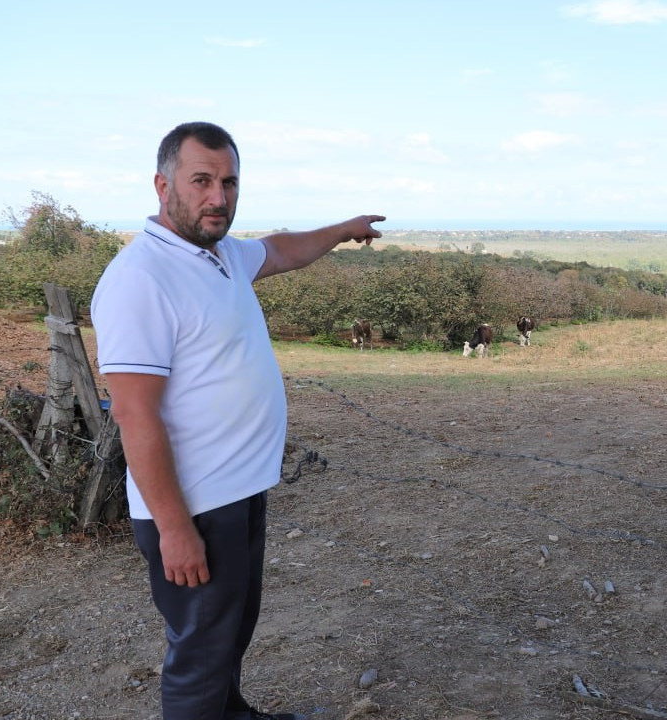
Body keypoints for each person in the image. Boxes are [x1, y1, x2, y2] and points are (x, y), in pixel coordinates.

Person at [91, 121, 385, 720]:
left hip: (239, 490)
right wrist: (175, 530)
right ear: (161, 184)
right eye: (201, 180)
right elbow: (133, 413)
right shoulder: (140, 278)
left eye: (228, 182)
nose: (217, 197)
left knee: (229, 633)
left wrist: (345, 229)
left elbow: (280, 249)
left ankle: (234, 713)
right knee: (199, 652)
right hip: (193, 506)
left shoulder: (218, 255)